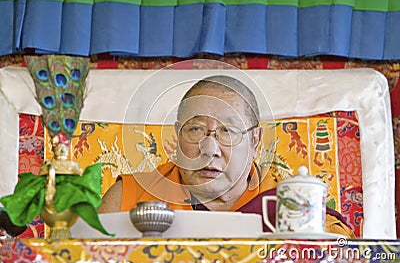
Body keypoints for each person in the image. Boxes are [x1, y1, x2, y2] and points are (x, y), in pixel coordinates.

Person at [99, 75, 355, 237]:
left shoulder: (292, 207)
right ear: (178, 135)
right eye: (196, 129)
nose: (209, 149)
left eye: (228, 131)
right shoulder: (128, 197)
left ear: (255, 140)